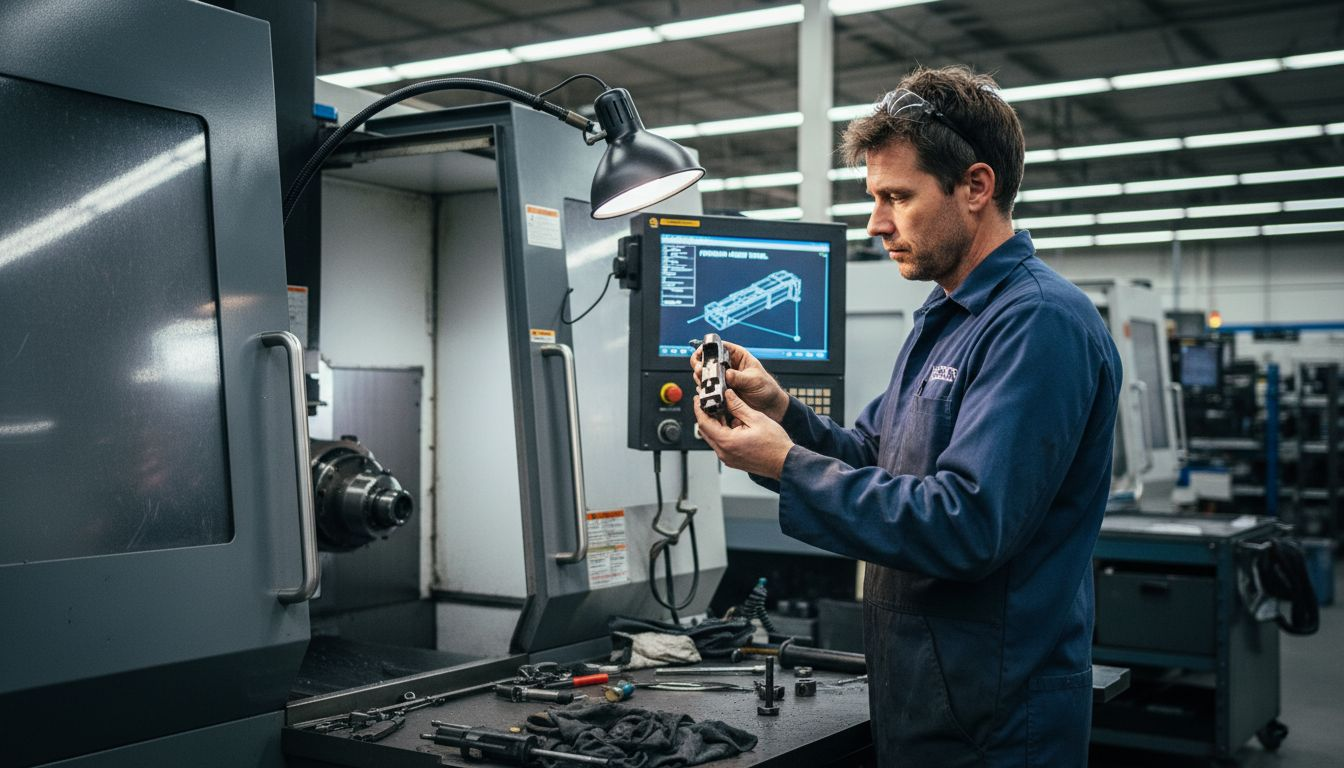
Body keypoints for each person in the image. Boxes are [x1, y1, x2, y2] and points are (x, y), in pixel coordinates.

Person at [692, 65, 1122, 766]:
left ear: (976, 187)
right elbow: (871, 454)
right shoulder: (948, 317)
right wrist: (782, 413)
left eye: (898, 196)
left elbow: (967, 522)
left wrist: (784, 463)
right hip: (930, 691)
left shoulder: (1038, 322)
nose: (876, 221)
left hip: (997, 714)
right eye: (874, 196)